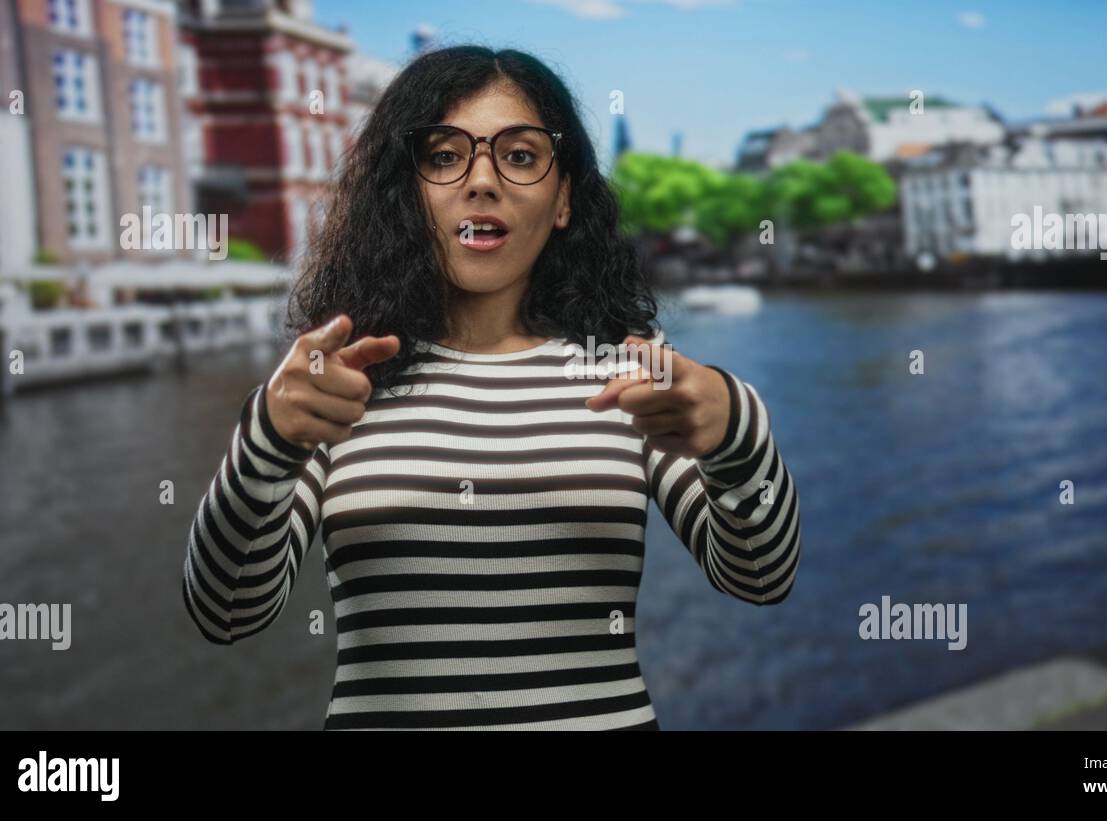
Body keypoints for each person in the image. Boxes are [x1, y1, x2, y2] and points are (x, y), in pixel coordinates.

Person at [181, 45, 801, 730]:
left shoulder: (627, 373)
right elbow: (226, 609)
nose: (482, 181)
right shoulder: (329, 387)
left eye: (521, 155)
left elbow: (760, 575)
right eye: (444, 155)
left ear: (564, 197)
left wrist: (735, 430)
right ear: (404, 193)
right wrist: (267, 438)